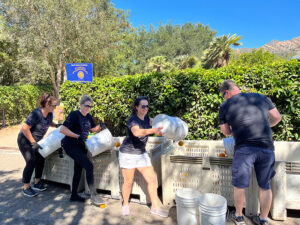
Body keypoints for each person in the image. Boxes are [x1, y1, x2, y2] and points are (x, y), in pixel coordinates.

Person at [219, 80, 282, 225]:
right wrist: (267, 125)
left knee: (239, 185)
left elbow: (226, 132)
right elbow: (277, 117)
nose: (224, 98)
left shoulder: (226, 105)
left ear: (227, 92)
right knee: (265, 185)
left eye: (223, 95)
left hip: (244, 149)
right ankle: (263, 219)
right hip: (266, 148)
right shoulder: (260, 97)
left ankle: (240, 217)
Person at [119, 96, 168, 217]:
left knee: (152, 180)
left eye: (147, 106)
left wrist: (170, 126)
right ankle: (125, 204)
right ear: (136, 107)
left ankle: (155, 208)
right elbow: (137, 132)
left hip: (141, 154)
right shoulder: (133, 120)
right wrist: (153, 130)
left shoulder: (147, 119)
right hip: (128, 154)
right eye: (143, 106)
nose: (146, 108)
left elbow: (158, 123)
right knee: (128, 182)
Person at [60, 95, 103, 204]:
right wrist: (77, 136)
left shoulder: (88, 116)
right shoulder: (74, 115)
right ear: (81, 104)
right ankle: (94, 196)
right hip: (70, 145)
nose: (88, 108)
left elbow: (93, 129)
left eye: (90, 106)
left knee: (78, 169)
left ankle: (74, 195)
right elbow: (63, 129)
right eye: (86, 105)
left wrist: (101, 126)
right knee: (89, 165)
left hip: (80, 146)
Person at [17, 92, 59, 197]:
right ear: (47, 105)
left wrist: (57, 125)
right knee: (31, 161)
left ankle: (37, 182)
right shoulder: (36, 113)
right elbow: (25, 128)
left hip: (36, 141)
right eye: (54, 105)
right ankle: (26, 187)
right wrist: (33, 142)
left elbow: (49, 122)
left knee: (41, 158)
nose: (55, 107)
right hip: (25, 140)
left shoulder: (49, 114)